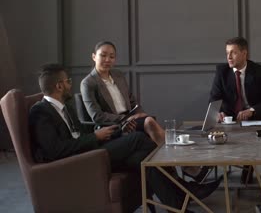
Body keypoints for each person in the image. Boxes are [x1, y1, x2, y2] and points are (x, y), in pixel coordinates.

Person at [30, 64, 220, 211]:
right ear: (59, 85)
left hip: (88, 149)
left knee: (143, 159)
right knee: (139, 138)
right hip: (80, 161)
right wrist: (95, 137)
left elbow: (82, 134)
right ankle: (186, 186)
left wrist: (117, 131)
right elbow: (55, 151)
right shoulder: (41, 112)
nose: (70, 84)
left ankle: (178, 204)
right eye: (68, 81)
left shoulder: (67, 107)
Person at [80, 41, 165, 145]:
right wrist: (125, 119)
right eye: (103, 55)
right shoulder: (88, 83)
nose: (107, 60)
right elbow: (97, 115)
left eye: (112, 57)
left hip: (130, 120)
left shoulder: (118, 75)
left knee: (149, 122)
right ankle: (170, 155)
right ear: (94, 56)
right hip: (112, 125)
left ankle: (168, 155)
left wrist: (139, 114)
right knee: (149, 122)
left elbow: (132, 101)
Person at [209, 37, 261, 122]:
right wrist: (218, 112)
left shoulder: (259, 71)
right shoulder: (222, 72)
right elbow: (214, 98)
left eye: (233, 53)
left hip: (253, 120)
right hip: (228, 120)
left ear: (244, 53)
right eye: (227, 53)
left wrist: (251, 111)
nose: (229, 57)